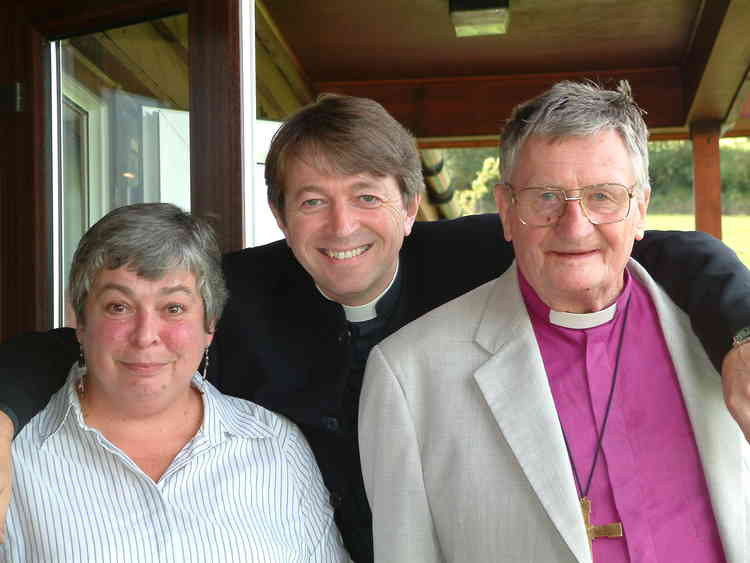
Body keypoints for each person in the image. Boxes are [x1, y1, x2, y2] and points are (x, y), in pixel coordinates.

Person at [1, 95, 750, 562]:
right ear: (281, 215)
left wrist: (742, 332)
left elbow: (663, 253)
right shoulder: (235, 290)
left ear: (409, 203)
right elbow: (114, 330)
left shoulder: (487, 244)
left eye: (366, 196)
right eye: (311, 201)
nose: (341, 227)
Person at [359, 81, 748, 563]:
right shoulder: (409, 377)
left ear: (640, 208)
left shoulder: (724, 342)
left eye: (603, 196)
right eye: (545, 197)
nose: (575, 226)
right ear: (506, 210)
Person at [0, 203, 347, 563]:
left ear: (210, 323)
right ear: (81, 322)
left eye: (174, 308)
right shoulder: (15, 455)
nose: (145, 336)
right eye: (119, 306)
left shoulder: (276, 446)